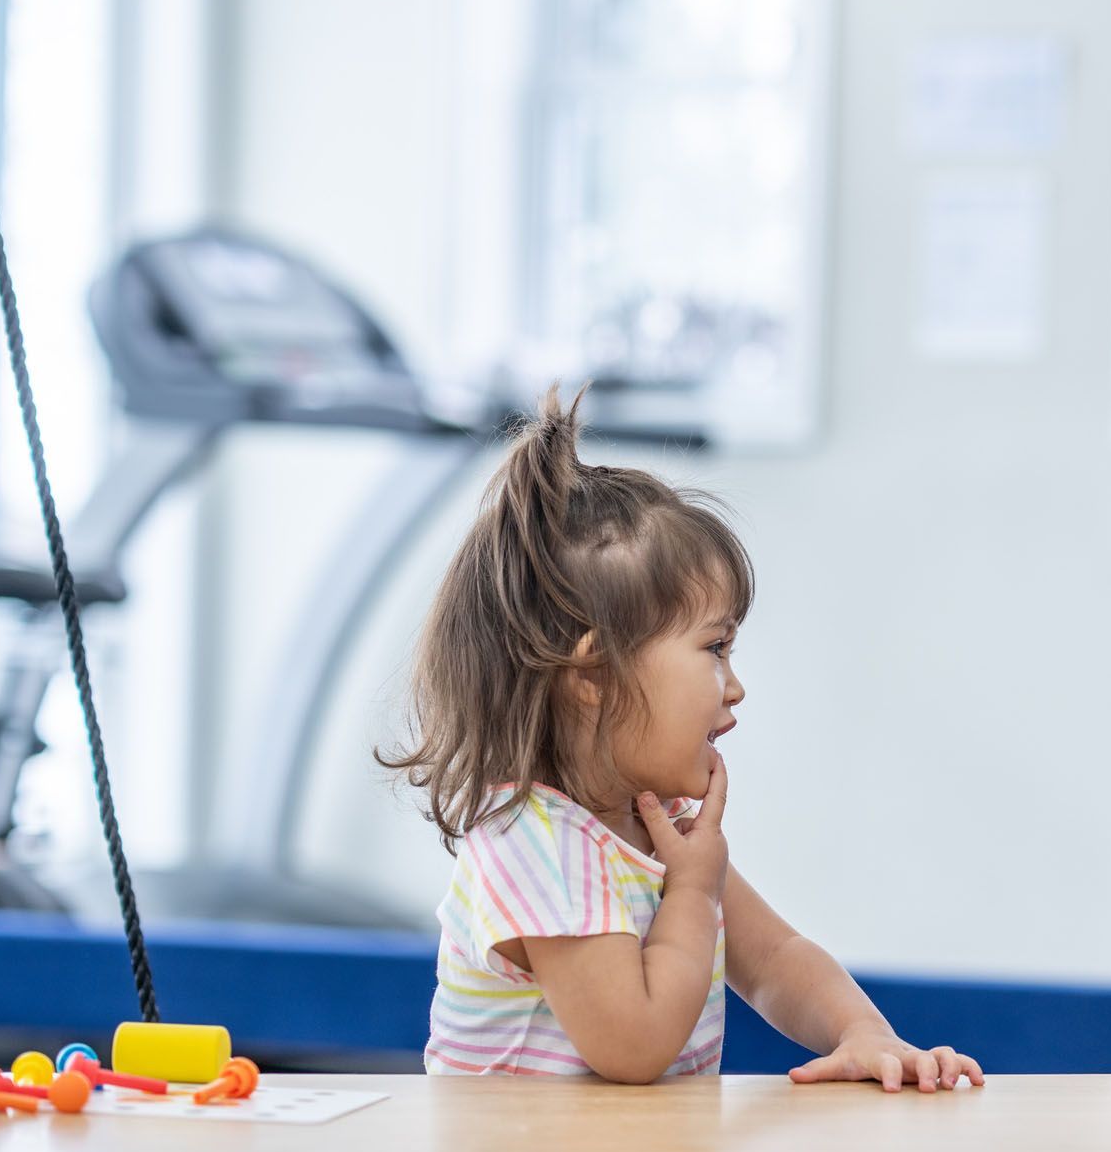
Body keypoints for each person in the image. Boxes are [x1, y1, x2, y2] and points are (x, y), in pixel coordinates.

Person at [384, 388, 981, 1092]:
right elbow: (634, 1046)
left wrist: (863, 1034)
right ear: (594, 675)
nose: (734, 687)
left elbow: (779, 958)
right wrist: (693, 895)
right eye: (715, 648)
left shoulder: (652, 829)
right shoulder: (536, 841)